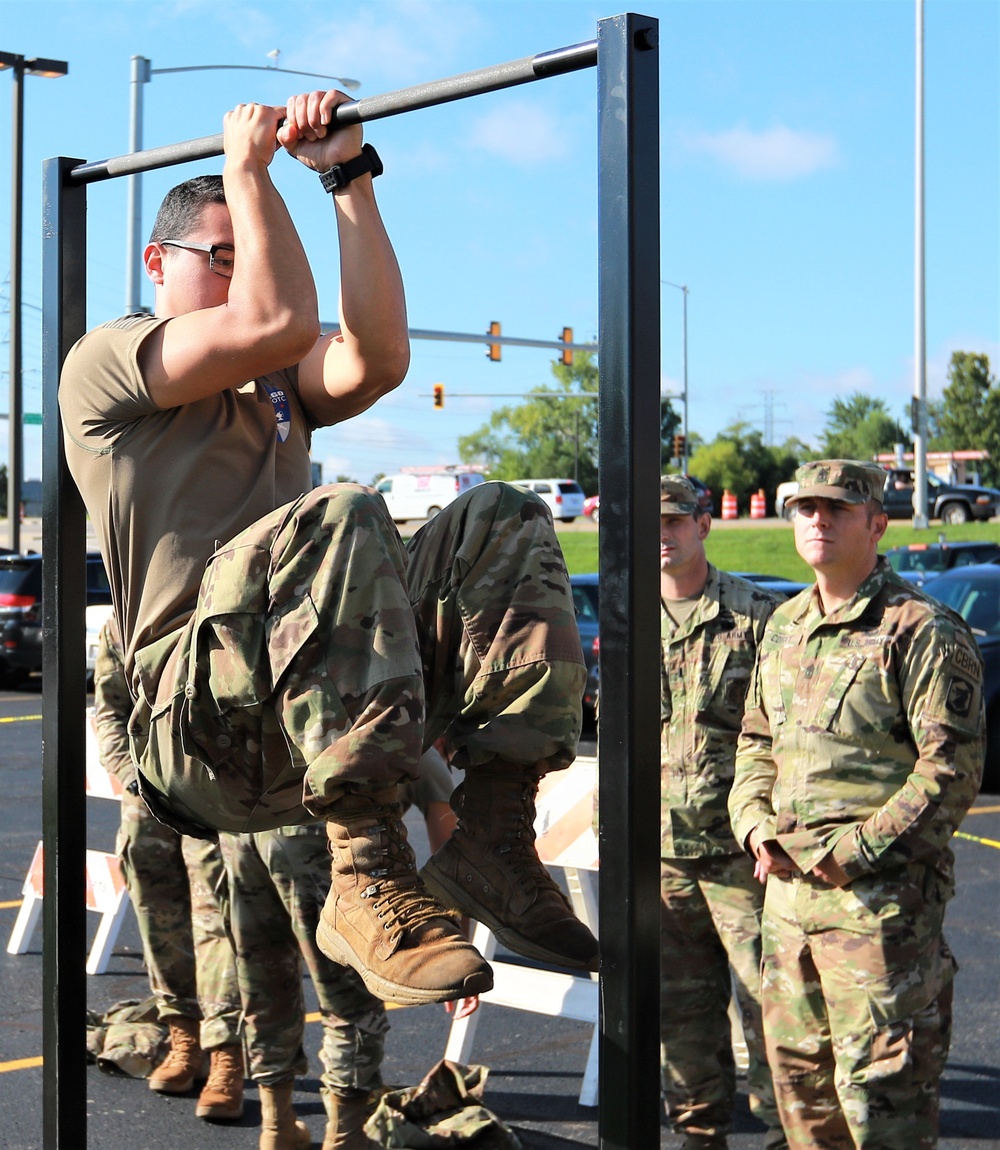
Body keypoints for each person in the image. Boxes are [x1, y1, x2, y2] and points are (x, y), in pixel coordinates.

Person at [59, 86, 595, 1085]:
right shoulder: (109, 365)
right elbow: (273, 318)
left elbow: (380, 357)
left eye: (240, 251)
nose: (234, 273)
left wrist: (347, 178)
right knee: (339, 512)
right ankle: (365, 871)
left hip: (294, 707)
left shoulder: (273, 386)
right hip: (195, 723)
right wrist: (251, 171)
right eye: (216, 256)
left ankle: (493, 834)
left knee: (503, 518)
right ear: (156, 264)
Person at [728, 459, 985, 1149]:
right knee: (801, 1099)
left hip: (879, 918)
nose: (818, 519)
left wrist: (850, 853)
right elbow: (755, 741)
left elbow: (951, 770)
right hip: (786, 912)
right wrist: (753, 826)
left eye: (837, 508)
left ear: (877, 523)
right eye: (806, 507)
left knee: (882, 1108)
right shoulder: (783, 626)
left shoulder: (922, 630)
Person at [219, 748, 473, 1150]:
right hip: (320, 853)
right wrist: (460, 941)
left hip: (246, 834)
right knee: (349, 992)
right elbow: (449, 856)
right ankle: (346, 1134)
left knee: (263, 981)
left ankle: (277, 1126)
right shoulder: (418, 749)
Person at [656, 475, 785, 1150]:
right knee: (682, 1019)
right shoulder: (625, 620)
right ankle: (699, 1136)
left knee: (770, 1007)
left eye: (675, 521)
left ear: (704, 526)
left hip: (742, 857)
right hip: (659, 858)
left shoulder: (758, 616)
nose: (662, 535)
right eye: (650, 524)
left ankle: (786, 1134)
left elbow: (788, 736)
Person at [92, 616, 244, 1122]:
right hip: (146, 796)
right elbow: (109, 710)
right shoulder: (123, 621)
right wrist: (131, 774)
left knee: (215, 921)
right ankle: (185, 1039)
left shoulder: (212, 598)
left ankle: (226, 1058)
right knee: (158, 918)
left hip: (209, 790)